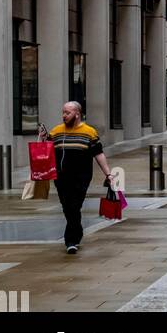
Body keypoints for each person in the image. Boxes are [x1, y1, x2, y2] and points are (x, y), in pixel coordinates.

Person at [43, 103, 114, 254]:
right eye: (63, 112)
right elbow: (46, 151)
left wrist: (108, 174)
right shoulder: (56, 131)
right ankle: (77, 230)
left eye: (67, 112)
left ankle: (71, 240)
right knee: (67, 207)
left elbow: (98, 154)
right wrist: (44, 139)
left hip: (81, 177)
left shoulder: (89, 132)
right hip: (61, 177)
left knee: (74, 206)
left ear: (77, 114)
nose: (64, 115)